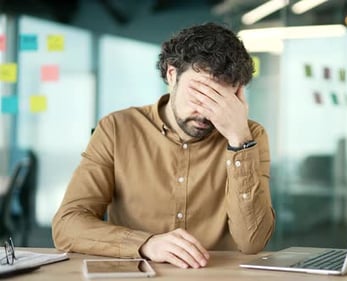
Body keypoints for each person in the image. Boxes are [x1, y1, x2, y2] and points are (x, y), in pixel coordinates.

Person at [52, 22, 275, 269]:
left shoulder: (249, 135)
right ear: (172, 75)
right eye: (200, 93)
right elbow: (67, 224)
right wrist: (146, 243)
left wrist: (239, 141)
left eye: (221, 99)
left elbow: (252, 243)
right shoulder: (117, 128)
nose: (206, 112)